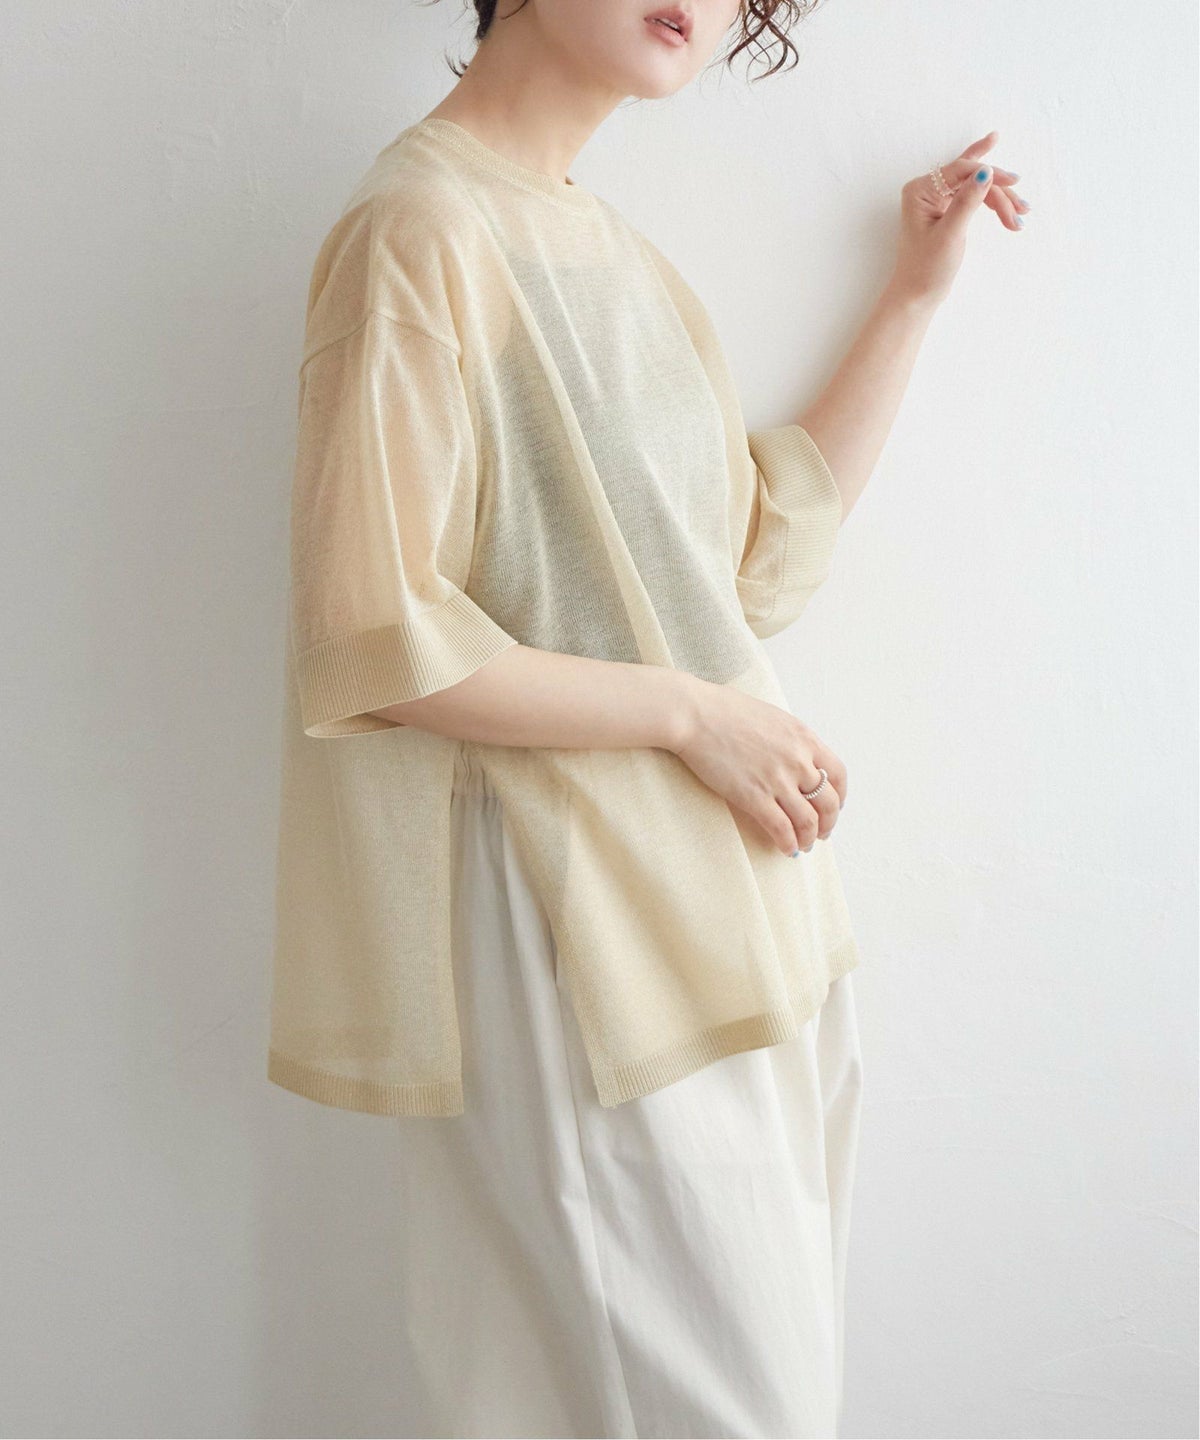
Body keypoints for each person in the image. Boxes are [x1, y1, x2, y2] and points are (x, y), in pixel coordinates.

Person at [267, 1, 1029, 1434]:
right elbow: (374, 636)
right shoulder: (419, 229)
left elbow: (741, 564)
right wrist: (691, 718)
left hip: (743, 930)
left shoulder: (612, 250)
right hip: (582, 937)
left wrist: (912, 298)